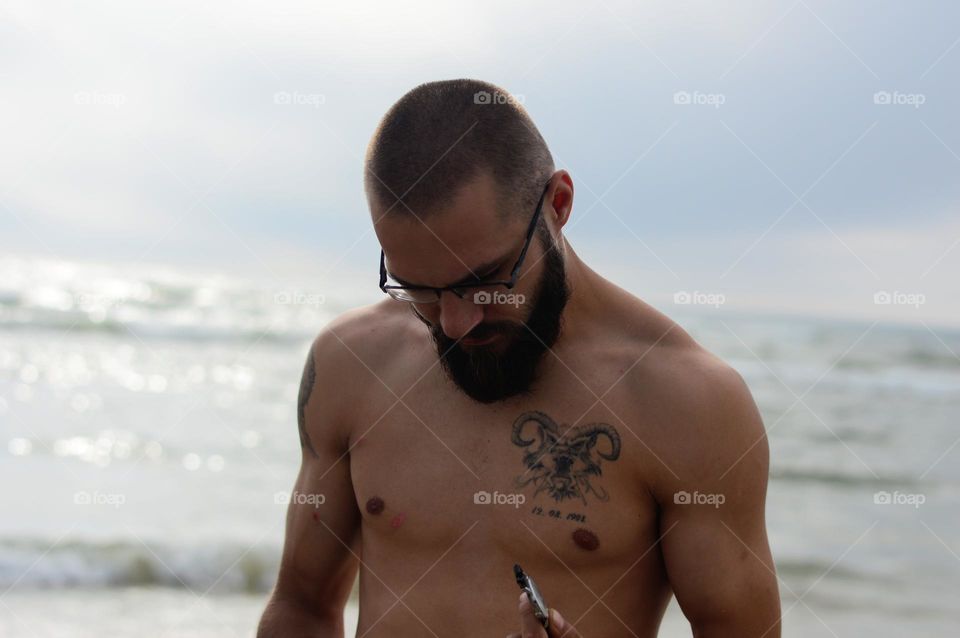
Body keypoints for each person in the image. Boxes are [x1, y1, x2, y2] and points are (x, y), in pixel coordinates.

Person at [257, 78, 781, 637]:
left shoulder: (687, 401)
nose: (457, 323)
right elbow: (302, 608)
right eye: (419, 290)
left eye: (485, 281)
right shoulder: (350, 363)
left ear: (557, 204)